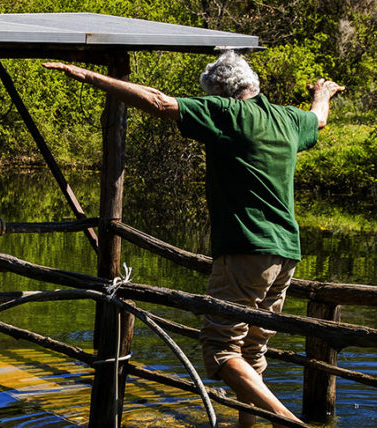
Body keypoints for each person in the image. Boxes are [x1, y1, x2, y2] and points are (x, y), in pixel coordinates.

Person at [43, 51, 344, 427]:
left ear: (220, 89)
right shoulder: (287, 118)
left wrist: (88, 76)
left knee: (219, 349)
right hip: (286, 253)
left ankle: (286, 422)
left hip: (245, 248)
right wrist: (323, 92)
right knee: (251, 349)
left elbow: (157, 101)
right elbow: (317, 120)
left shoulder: (229, 113)